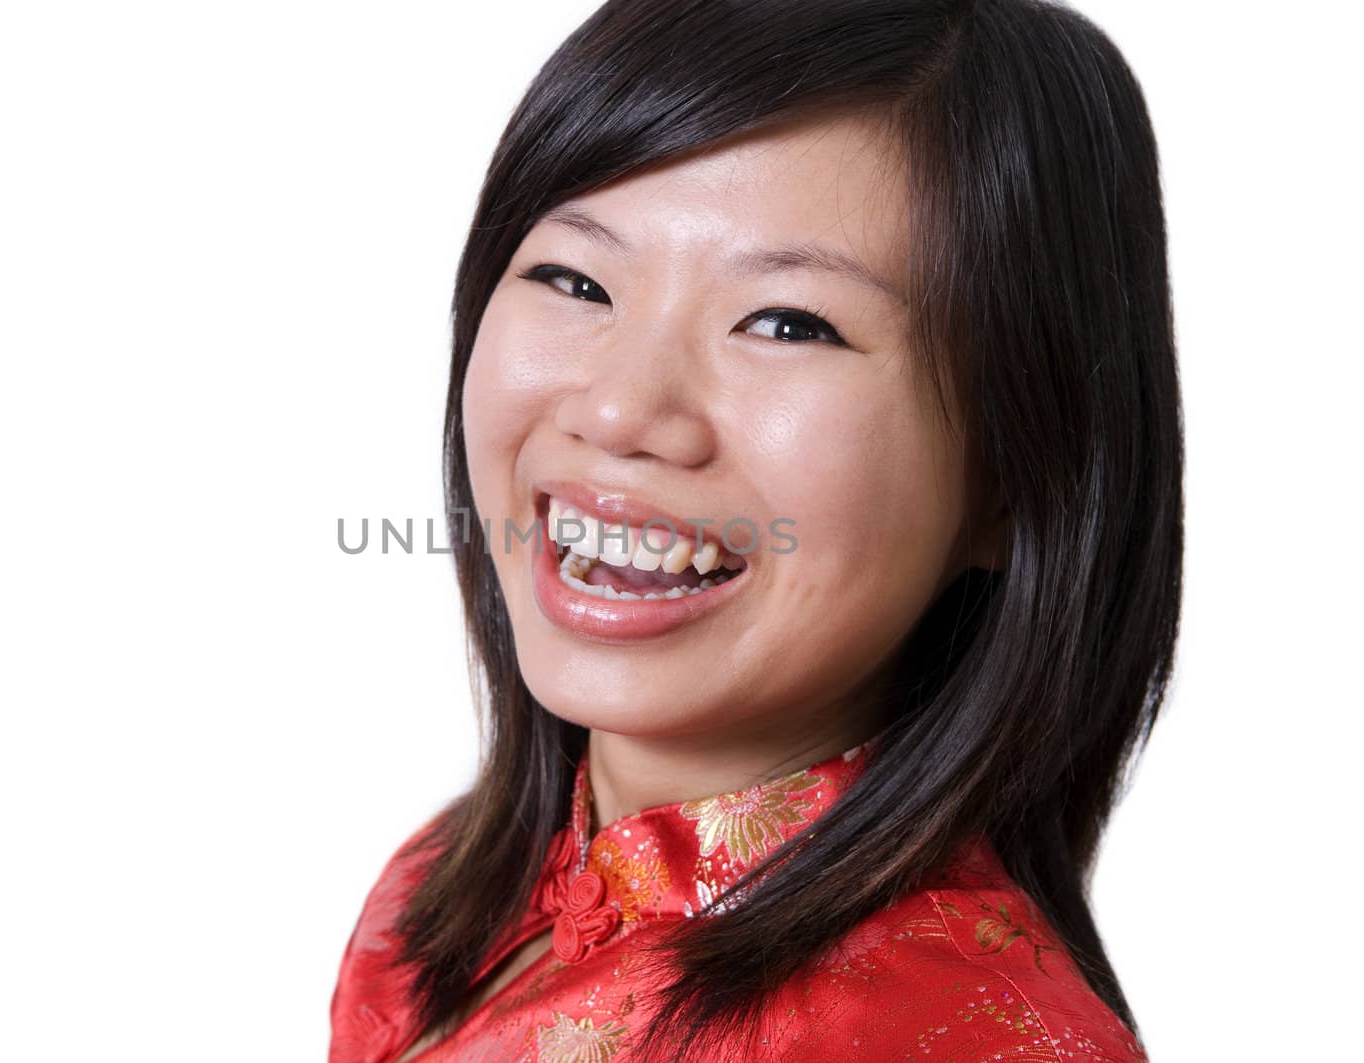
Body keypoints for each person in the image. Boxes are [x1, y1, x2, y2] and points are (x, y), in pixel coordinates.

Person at [330, 0, 1180, 1059]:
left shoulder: (943, 1036)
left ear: (1014, 484)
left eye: (786, 322)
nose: (619, 410)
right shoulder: (444, 889)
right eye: (575, 278)